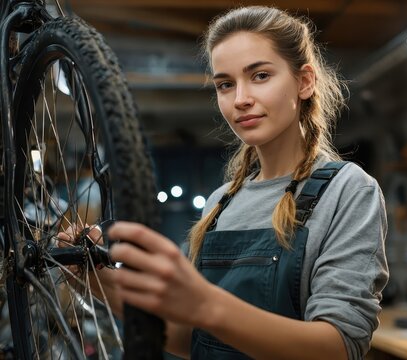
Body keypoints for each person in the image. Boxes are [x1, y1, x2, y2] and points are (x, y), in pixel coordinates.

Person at [67, 5, 389, 359]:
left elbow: (338, 348)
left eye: (260, 76)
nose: (240, 99)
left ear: (304, 81)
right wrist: (101, 282)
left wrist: (207, 303)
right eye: (225, 84)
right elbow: (189, 339)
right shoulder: (221, 203)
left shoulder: (347, 190)